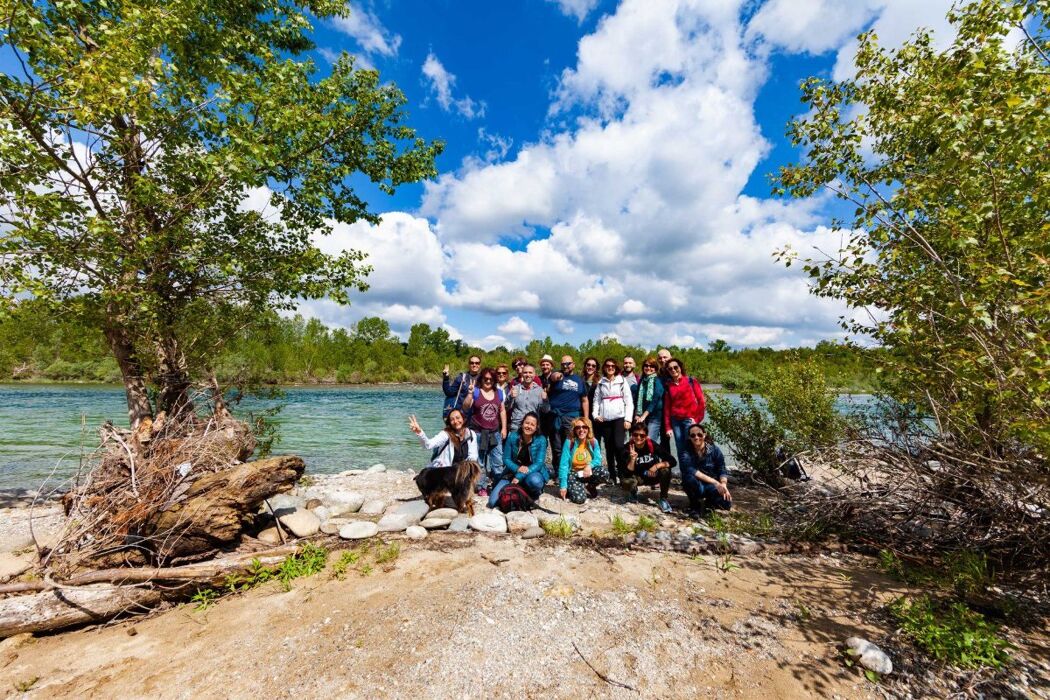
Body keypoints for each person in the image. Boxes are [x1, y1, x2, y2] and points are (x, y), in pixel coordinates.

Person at [661, 357, 707, 500]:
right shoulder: (668, 385)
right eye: (670, 369)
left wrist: (697, 420)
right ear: (667, 371)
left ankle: (699, 478)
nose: (673, 370)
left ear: (680, 367)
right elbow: (667, 408)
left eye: (676, 367)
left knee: (695, 449)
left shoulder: (691, 381)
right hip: (676, 421)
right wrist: (668, 426)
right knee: (682, 451)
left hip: (689, 421)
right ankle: (687, 479)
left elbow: (701, 401)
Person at [462, 367, 508, 497]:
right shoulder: (476, 392)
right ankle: (481, 487)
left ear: (494, 380)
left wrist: (504, 428)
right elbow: (465, 407)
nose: (488, 381)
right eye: (485, 379)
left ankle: (498, 486)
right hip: (478, 433)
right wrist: (470, 393)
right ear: (481, 379)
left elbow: (502, 410)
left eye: (491, 379)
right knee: (480, 462)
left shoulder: (499, 393)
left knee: (498, 461)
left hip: (495, 433)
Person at [488, 412, 549, 508]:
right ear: (522, 423)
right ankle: (520, 490)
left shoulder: (541, 440)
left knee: (535, 481)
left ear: (537, 427)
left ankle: (532, 491)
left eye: (532, 424)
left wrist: (520, 475)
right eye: (527, 423)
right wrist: (517, 469)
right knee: (492, 502)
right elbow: (506, 458)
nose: (529, 426)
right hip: (513, 472)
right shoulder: (512, 436)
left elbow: (539, 463)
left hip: (532, 472)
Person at [591, 358, 633, 485]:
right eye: (608, 366)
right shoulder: (600, 382)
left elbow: (629, 401)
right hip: (605, 419)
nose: (610, 368)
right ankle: (612, 475)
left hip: (619, 418)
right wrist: (595, 415)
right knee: (608, 448)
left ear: (616, 368)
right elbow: (596, 401)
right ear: (604, 367)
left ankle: (622, 473)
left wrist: (628, 419)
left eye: (613, 366)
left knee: (619, 446)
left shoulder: (622, 381)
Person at [545, 355, 589, 470]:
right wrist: (556, 376)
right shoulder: (556, 375)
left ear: (573, 364)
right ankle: (558, 471)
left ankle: (570, 469)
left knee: (570, 445)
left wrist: (586, 418)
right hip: (556, 416)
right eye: (563, 364)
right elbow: (553, 377)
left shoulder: (579, 380)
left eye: (568, 363)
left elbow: (584, 400)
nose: (566, 366)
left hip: (572, 417)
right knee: (556, 446)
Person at [622, 422, 676, 513]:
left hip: (653, 475)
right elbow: (626, 473)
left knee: (666, 470)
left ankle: (663, 499)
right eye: (635, 435)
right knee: (626, 481)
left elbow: (673, 461)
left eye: (642, 436)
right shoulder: (627, 448)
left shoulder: (652, 445)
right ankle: (633, 492)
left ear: (646, 436)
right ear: (631, 435)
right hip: (638, 477)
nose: (638, 438)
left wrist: (657, 465)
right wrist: (632, 459)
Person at [682, 424, 731, 515]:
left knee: (726, 504)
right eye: (693, 435)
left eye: (699, 434)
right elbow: (691, 470)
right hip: (698, 485)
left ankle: (709, 502)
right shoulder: (686, 452)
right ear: (689, 437)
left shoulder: (715, 450)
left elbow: (722, 468)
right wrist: (716, 483)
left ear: (704, 435)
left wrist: (723, 484)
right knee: (688, 478)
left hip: (711, 486)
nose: (696, 437)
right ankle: (695, 505)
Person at [558, 418, 607, 504]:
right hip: (574, 473)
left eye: (584, 427)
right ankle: (573, 486)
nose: (581, 430)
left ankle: (590, 486)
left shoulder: (593, 441)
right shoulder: (569, 442)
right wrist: (563, 486)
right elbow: (564, 465)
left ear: (588, 429)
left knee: (604, 473)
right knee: (580, 499)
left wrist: (589, 465)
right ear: (574, 430)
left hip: (587, 472)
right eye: (578, 427)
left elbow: (598, 459)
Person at [408, 409, 478, 467]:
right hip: (442, 473)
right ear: (449, 423)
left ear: (463, 419)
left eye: (458, 418)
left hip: (460, 472)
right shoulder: (445, 434)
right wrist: (419, 432)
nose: (456, 421)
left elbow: (473, 457)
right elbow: (428, 445)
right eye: (452, 419)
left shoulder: (471, 434)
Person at [635, 356, 667, 447]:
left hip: (655, 416)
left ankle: (655, 460)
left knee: (649, 441)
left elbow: (655, 399)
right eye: (646, 365)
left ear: (656, 368)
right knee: (640, 441)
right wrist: (637, 414)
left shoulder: (658, 380)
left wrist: (644, 415)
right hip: (643, 416)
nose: (648, 368)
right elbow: (638, 398)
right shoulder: (642, 381)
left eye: (652, 366)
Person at [507, 364, 547, 431]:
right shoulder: (515, 388)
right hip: (516, 427)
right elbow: (507, 407)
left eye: (530, 372)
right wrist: (511, 397)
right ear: (522, 374)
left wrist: (545, 400)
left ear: (534, 375)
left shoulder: (540, 390)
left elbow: (546, 410)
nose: (528, 375)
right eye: (525, 372)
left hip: (532, 428)